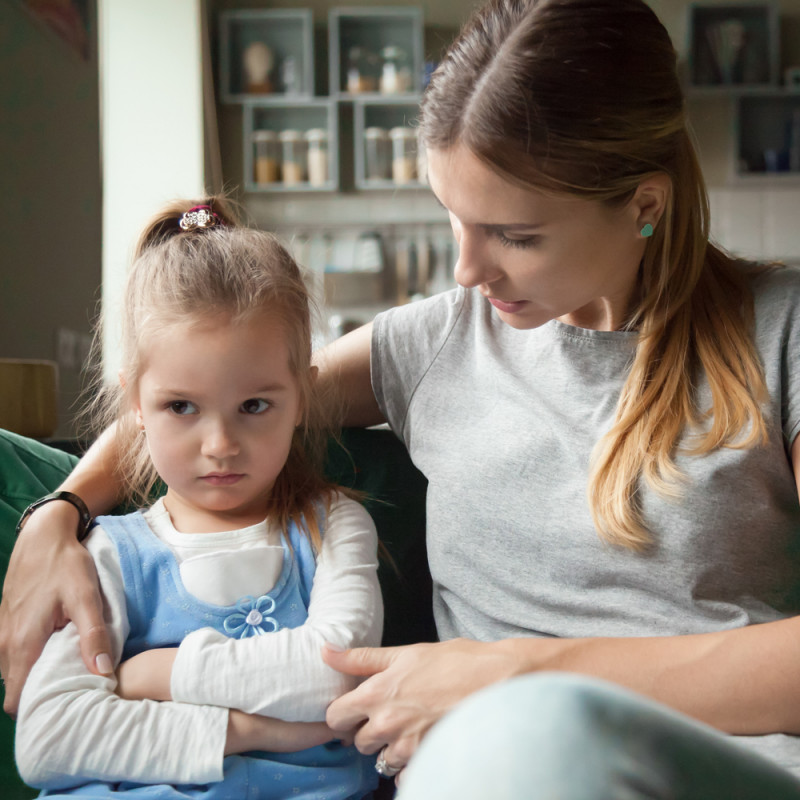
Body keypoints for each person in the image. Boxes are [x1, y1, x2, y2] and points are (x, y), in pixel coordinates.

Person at [3, 0, 800, 796]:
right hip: (480, 777)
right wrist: (59, 514)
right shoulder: (435, 344)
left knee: (549, 741)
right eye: (455, 218)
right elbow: (215, 398)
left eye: (516, 235)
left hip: (715, 769)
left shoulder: (782, 331)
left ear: (644, 206)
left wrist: (517, 675)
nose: (467, 270)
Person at [12, 198, 382, 798]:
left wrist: (159, 674)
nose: (220, 445)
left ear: (302, 399)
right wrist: (246, 730)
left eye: (254, 406)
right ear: (136, 405)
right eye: (181, 406)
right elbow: (47, 740)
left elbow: (338, 672)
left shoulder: (334, 526)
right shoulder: (109, 553)